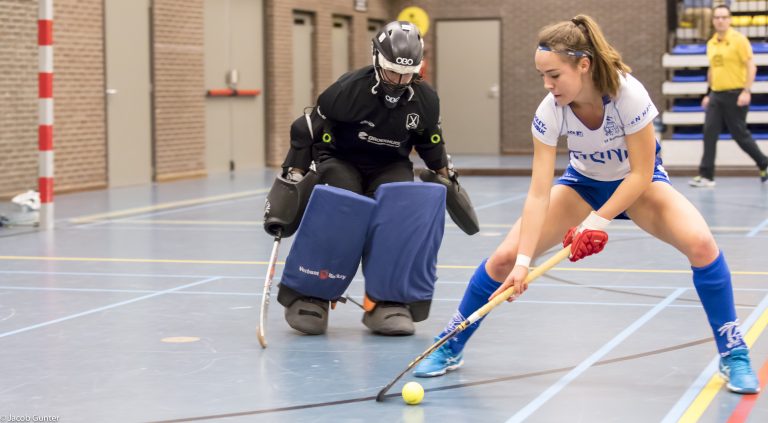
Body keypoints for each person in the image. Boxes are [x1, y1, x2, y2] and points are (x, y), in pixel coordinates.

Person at [413, 14, 760, 394]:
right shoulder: (550, 110)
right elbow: (538, 192)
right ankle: (452, 342)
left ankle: (733, 351)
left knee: (703, 246)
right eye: (541, 76)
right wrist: (524, 262)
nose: (547, 85)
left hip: (639, 186)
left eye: (554, 75)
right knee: (503, 259)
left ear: (584, 64)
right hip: (583, 185)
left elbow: (642, 173)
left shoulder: (629, 95)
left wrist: (598, 221)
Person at [272, 21, 465, 337]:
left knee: (401, 208)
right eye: (392, 72)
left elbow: (431, 141)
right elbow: (305, 129)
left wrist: (446, 175)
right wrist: (293, 174)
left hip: (390, 164)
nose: (399, 81)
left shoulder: (425, 99)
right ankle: (313, 295)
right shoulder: (349, 90)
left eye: (407, 74)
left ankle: (387, 302)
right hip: (340, 159)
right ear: (377, 60)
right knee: (344, 205)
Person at [689, 4, 768, 187]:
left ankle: (764, 162)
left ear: (730, 19)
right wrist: (708, 93)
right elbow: (713, 70)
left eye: (724, 17)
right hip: (716, 95)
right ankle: (707, 175)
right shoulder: (711, 43)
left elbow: (751, 67)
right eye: (717, 17)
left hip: (736, 95)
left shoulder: (739, 40)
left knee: (739, 134)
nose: (720, 20)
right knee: (709, 132)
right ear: (713, 20)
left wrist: (746, 90)